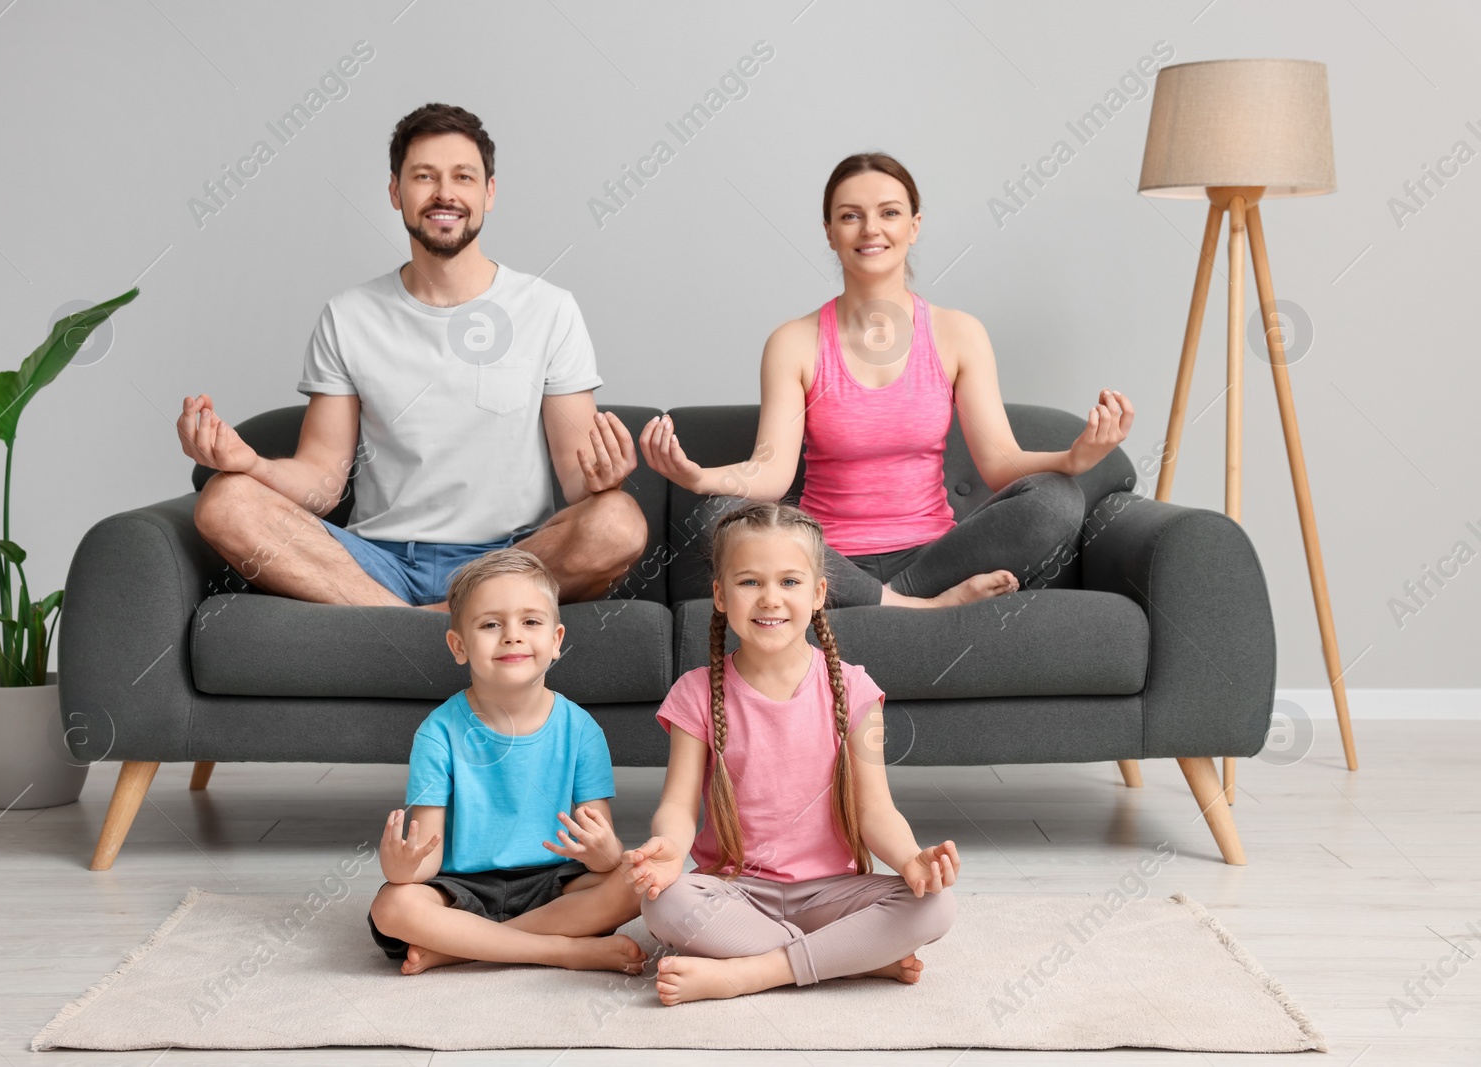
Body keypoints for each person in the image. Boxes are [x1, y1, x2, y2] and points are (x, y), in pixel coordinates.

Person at [180, 102, 647, 612]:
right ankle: (425, 622)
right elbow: (323, 482)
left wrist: (607, 478)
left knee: (619, 520)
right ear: (395, 192)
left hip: (509, 560)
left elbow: (581, 480)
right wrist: (249, 464)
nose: (445, 193)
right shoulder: (349, 315)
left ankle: (421, 623)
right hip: (378, 563)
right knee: (225, 502)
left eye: (463, 177)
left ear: (488, 192)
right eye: (424, 176)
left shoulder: (549, 309)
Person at [641, 152, 1133, 610]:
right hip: (825, 561)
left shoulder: (958, 333)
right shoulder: (793, 342)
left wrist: (1075, 459)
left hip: (938, 557)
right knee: (719, 515)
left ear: (914, 226)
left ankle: (899, 596)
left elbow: (1002, 464)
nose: (870, 228)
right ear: (830, 231)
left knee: (1058, 498)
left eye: (890, 213)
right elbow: (770, 475)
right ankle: (909, 608)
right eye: (851, 215)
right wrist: (699, 478)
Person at [623, 502, 960, 1005]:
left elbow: (875, 810)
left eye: (789, 582)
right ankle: (848, 960)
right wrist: (670, 849)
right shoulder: (694, 693)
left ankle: (752, 973)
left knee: (935, 907)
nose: (769, 599)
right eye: (749, 582)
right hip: (734, 890)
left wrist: (912, 859)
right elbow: (677, 803)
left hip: (831, 893)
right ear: (719, 595)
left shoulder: (855, 689)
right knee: (663, 905)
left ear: (819, 593)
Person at [366, 548, 647, 975]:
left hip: (551, 883)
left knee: (634, 884)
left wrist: (609, 853)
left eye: (530, 621)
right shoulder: (437, 732)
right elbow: (426, 858)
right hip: (462, 888)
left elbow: (600, 854)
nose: (512, 635)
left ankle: (461, 947)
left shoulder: (581, 729)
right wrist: (400, 867)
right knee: (393, 904)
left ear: (555, 642)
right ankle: (560, 951)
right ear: (459, 646)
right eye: (491, 624)